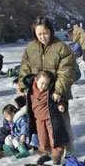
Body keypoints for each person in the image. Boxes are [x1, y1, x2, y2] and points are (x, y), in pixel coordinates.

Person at [18, 15, 75, 158]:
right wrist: (23, 86)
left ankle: (68, 149)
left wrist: (58, 91)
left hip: (56, 92)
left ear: (51, 31)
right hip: (37, 93)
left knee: (61, 122)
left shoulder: (61, 48)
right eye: (39, 34)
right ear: (34, 33)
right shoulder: (31, 48)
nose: (42, 37)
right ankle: (46, 149)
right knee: (40, 123)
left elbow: (66, 71)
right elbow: (25, 68)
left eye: (45, 33)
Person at [24, 69, 70, 165]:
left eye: (46, 84)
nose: (44, 86)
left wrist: (61, 105)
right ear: (36, 80)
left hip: (51, 120)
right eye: (42, 83)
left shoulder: (50, 91)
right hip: (38, 120)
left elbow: (62, 98)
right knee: (42, 138)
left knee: (54, 138)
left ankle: (57, 155)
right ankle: (44, 154)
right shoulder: (30, 90)